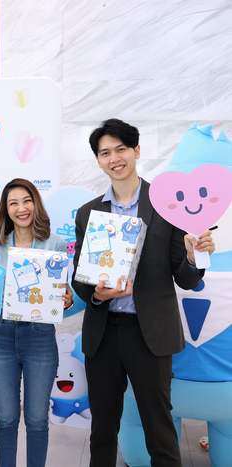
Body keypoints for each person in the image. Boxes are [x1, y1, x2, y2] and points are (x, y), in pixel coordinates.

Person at [71, 119, 216, 467]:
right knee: (102, 431)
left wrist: (194, 258)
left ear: (136, 151)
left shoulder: (167, 205)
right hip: (103, 336)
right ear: (98, 160)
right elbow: (80, 279)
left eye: (121, 149)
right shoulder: (88, 213)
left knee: (160, 431)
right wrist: (97, 295)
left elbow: (184, 278)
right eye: (105, 153)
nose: (114, 158)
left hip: (149, 334)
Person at [0, 178, 73, 467]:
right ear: (5, 209)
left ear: (36, 203)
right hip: (1, 335)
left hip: (40, 336)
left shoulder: (54, 243)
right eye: (13, 203)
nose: (21, 208)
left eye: (26, 201)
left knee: (36, 420)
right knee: (6, 418)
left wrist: (66, 299)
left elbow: (62, 293)